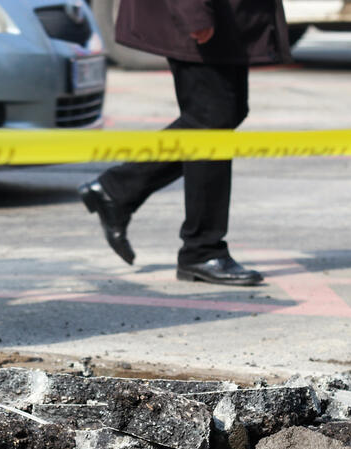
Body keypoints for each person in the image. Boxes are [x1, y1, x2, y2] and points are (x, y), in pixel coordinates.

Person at [79, 0, 291, 285]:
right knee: (210, 123)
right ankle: (202, 250)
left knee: (224, 115)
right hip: (201, 14)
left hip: (226, 15)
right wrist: (193, 12)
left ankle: (117, 190)